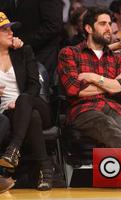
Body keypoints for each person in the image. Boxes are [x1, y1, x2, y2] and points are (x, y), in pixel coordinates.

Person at [57, 7, 121, 192]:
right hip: (83, 111)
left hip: (115, 108)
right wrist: (112, 85)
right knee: (105, 123)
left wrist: (95, 78)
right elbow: (73, 89)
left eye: (110, 24)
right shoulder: (69, 53)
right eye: (103, 24)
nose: (109, 28)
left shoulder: (117, 58)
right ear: (88, 28)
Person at [0, 12, 54, 191]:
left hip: (32, 102)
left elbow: (34, 86)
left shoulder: (23, 51)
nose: (10, 33)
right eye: (4, 29)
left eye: (10, 29)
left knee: (26, 102)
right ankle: (46, 169)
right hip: (9, 113)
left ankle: (13, 148)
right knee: (33, 117)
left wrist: (20, 102)